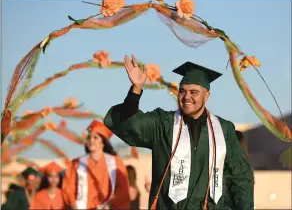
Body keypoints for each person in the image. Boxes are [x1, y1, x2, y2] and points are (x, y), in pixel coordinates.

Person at [104, 55, 254, 210]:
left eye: (194, 92)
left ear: (206, 96)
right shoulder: (163, 124)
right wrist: (136, 89)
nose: (186, 96)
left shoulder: (223, 130)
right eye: (182, 91)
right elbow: (131, 123)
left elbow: (240, 176)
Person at [62, 119, 131, 210]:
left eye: (95, 137)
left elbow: (123, 190)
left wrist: (110, 203)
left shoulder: (115, 162)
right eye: (89, 137)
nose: (91, 140)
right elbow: (68, 188)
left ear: (103, 143)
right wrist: (73, 204)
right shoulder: (77, 163)